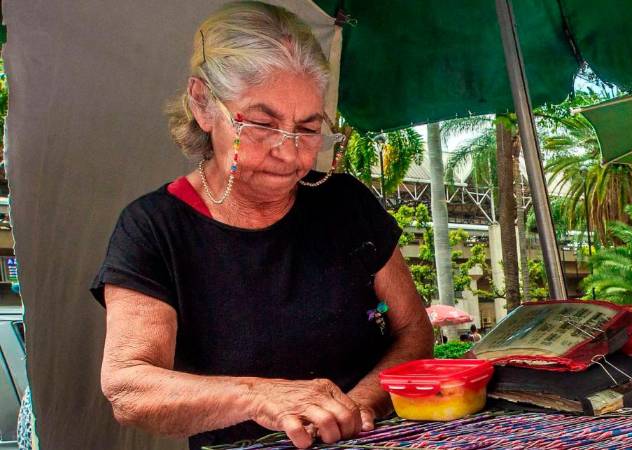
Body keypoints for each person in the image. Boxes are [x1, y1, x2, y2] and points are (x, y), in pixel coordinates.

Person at [92, 4, 434, 448]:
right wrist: (260, 397)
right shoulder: (154, 228)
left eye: (307, 129)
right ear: (202, 104)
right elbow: (128, 386)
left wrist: (356, 408)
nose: (289, 154)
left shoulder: (346, 204)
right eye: (261, 124)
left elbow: (413, 332)